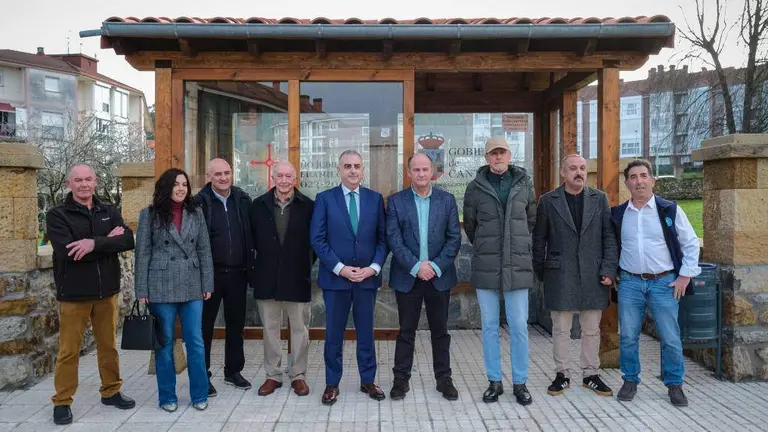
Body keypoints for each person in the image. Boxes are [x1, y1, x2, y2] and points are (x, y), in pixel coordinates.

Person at [46, 164, 136, 425]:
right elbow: (68, 252)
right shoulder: (57, 215)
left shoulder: (108, 211)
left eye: (88, 179)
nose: (84, 184)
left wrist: (93, 243)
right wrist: (107, 241)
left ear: (95, 182)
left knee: (108, 346)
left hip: (106, 292)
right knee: (69, 351)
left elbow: (127, 240)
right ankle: (63, 401)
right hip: (74, 294)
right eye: (78, 180)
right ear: (69, 184)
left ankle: (111, 391)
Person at [611, 159, 700, 407]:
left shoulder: (669, 210)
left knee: (670, 337)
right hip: (629, 283)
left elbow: (690, 243)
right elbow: (610, 246)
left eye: (643, 176)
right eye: (633, 177)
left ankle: (674, 384)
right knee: (628, 336)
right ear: (627, 183)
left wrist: (685, 276)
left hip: (664, 283)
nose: (639, 181)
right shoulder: (618, 214)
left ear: (652, 180)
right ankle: (630, 380)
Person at [532, 154, 618, 398]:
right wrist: (542, 271)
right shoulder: (548, 201)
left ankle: (591, 375)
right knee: (561, 329)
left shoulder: (599, 199)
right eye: (572, 168)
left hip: (594, 274)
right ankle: (562, 375)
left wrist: (608, 269)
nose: (578, 172)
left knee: (591, 329)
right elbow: (539, 240)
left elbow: (609, 237)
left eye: (582, 168)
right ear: (563, 172)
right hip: (560, 274)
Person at [310, 150, 388, 405]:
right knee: (334, 334)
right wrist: (340, 268)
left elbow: (383, 239)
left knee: (366, 333)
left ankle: (368, 380)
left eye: (357, 166)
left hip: (366, 279)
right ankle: (332, 383)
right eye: (347, 166)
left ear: (363, 170)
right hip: (336, 281)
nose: (352, 170)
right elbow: (317, 239)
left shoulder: (375, 199)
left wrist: (374, 267)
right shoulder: (325, 199)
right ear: (339, 170)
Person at [463, 137, 536, 405]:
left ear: (509, 155)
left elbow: (531, 220)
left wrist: (517, 245)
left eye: (502, 152)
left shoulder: (524, 184)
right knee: (490, 327)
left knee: (519, 326)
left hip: (517, 264)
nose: (498, 157)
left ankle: (520, 382)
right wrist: (487, 246)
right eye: (493, 153)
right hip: (487, 264)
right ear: (486, 157)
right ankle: (494, 381)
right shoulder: (475, 188)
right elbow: (471, 226)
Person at [134, 168, 214, 412]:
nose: (181, 189)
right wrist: (141, 289)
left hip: (192, 284)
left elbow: (204, 249)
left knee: (196, 341)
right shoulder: (149, 215)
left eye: (184, 185)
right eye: (176, 184)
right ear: (165, 187)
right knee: (165, 343)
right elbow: (143, 253)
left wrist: (207, 283)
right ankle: (167, 396)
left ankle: (199, 394)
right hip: (160, 285)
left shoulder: (196, 212)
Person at [385, 152, 461, 401]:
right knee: (406, 331)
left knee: (440, 332)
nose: (421, 174)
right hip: (408, 277)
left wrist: (435, 266)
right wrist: (416, 266)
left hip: (439, 276)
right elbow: (394, 240)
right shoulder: (396, 202)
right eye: (416, 170)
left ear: (432, 172)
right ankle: (400, 379)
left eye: (425, 169)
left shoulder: (447, 200)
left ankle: (444, 379)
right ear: (408, 173)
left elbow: (454, 238)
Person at [248, 161, 315, 397]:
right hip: (267, 278)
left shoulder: (308, 206)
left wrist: (304, 265)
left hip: (297, 277)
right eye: (280, 176)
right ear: (273, 178)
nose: (284, 180)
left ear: (295, 179)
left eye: (289, 176)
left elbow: (315, 243)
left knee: (300, 330)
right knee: (270, 329)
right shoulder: (258, 205)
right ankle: (273, 375)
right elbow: (250, 241)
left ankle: (298, 375)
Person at [194, 158, 253, 395]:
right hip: (210, 276)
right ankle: (203, 374)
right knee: (204, 328)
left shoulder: (242, 199)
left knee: (236, 326)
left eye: (227, 172)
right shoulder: (198, 203)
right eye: (217, 174)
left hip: (238, 273)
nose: (223, 177)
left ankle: (233, 371)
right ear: (209, 176)